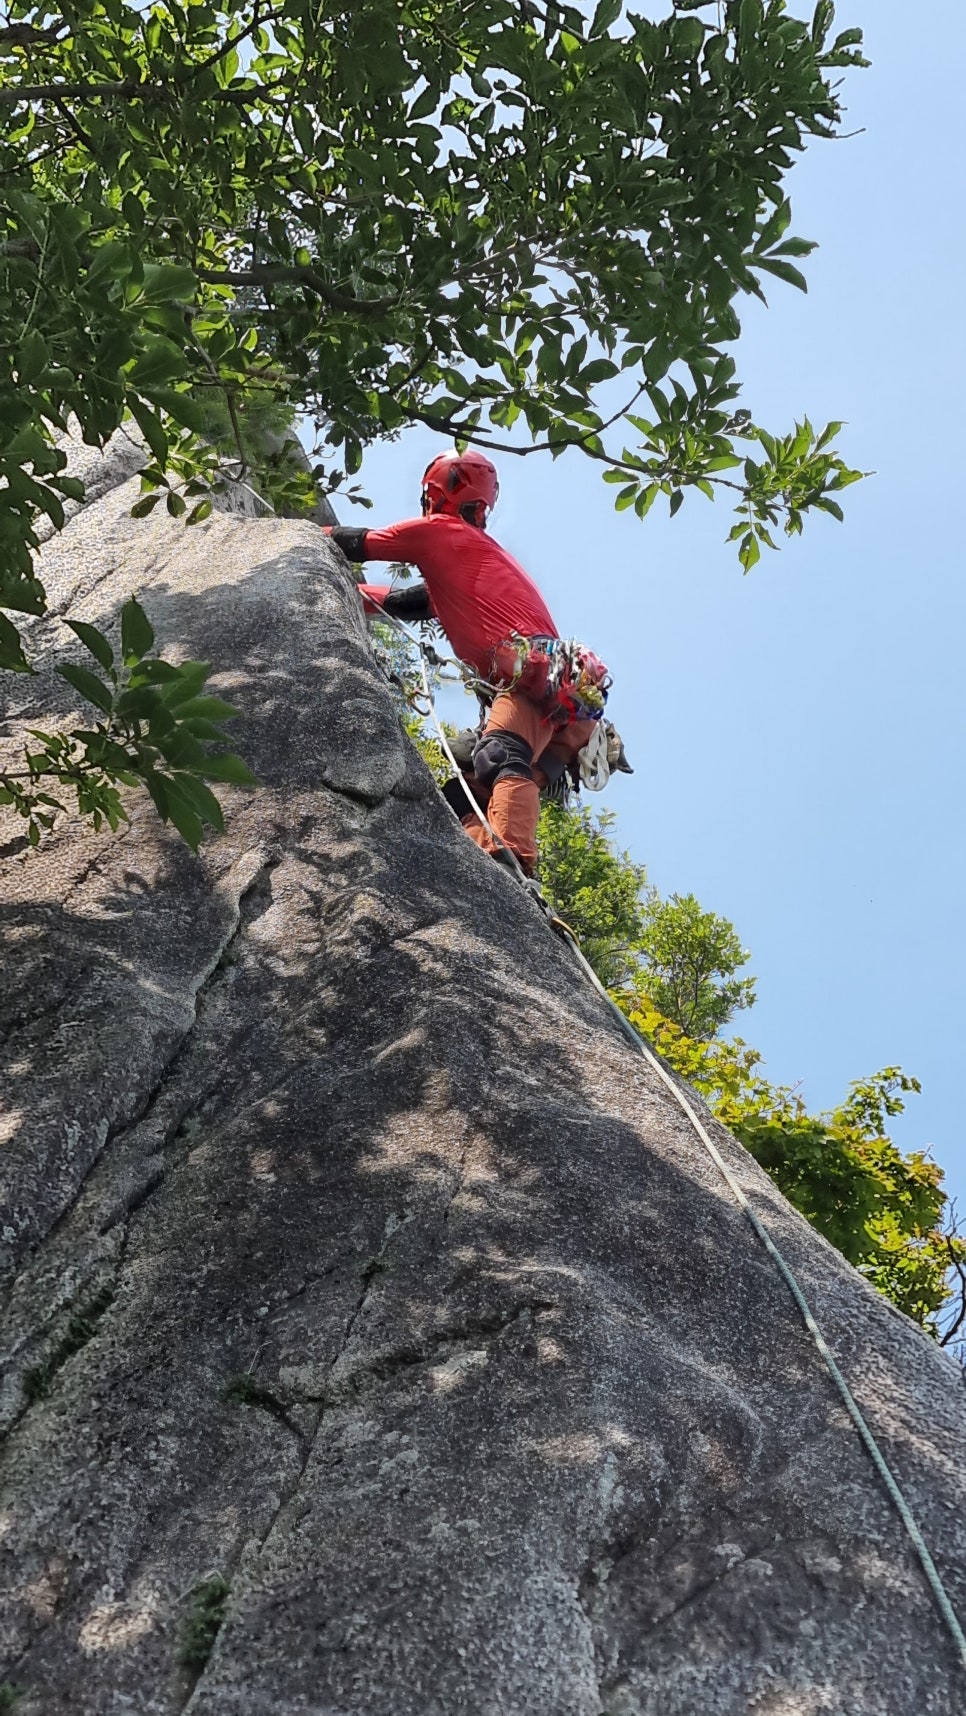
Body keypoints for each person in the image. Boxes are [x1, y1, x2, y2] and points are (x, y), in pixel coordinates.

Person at [324, 449, 609, 876]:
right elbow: (405, 603)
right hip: (561, 702)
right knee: (463, 791)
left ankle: (513, 862)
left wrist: (294, 536)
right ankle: (483, 853)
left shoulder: (439, 531)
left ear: (434, 494)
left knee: (500, 753)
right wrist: (350, 596)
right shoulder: (468, 562)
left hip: (535, 674)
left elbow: (359, 544)